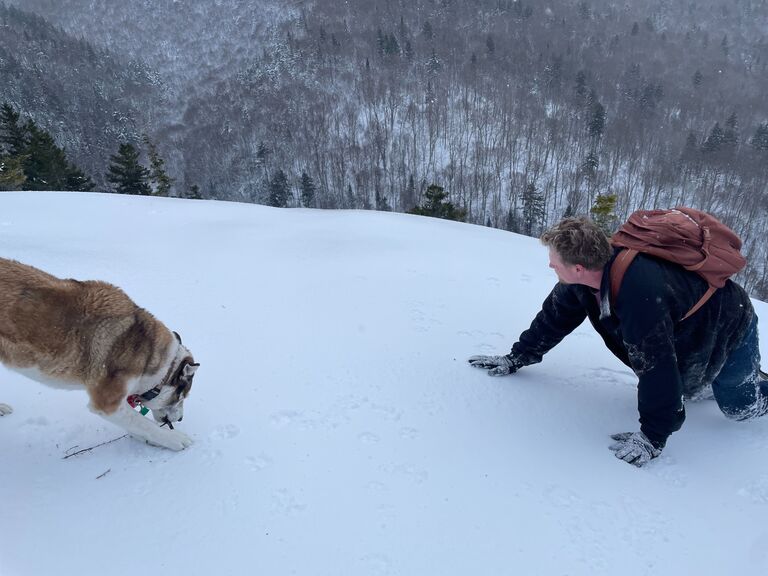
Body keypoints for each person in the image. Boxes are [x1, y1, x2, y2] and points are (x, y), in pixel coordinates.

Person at [469, 216, 768, 467]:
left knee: (739, 406)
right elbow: (554, 318)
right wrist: (517, 357)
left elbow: (655, 366)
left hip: (730, 323)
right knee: (689, 387)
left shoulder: (638, 295)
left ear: (578, 268)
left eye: (554, 261)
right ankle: (708, 381)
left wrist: (652, 437)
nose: (550, 267)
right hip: (686, 327)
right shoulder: (584, 282)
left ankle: (756, 385)